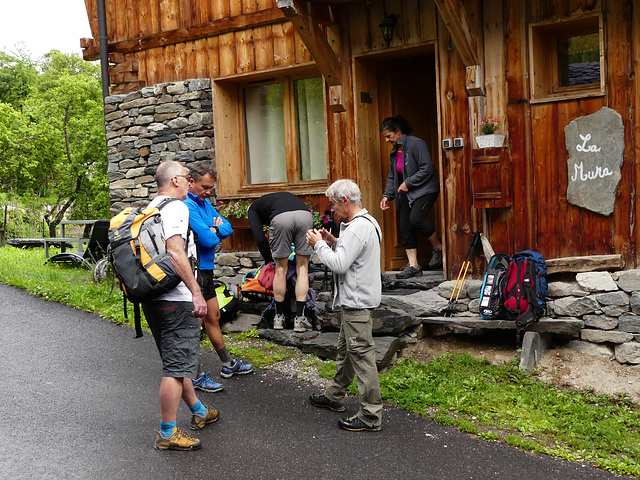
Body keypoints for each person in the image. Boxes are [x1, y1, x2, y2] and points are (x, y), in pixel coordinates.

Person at [142, 160, 219, 451]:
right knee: (175, 370)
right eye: (186, 178)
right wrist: (196, 292)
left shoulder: (151, 208)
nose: (190, 182)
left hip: (154, 298)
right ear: (175, 180)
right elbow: (175, 252)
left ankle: (200, 412)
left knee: (177, 362)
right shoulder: (176, 207)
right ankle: (167, 433)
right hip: (175, 300)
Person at [306, 179, 383, 432]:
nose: (332, 209)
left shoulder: (358, 228)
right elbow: (352, 253)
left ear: (345, 202)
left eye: (333, 204)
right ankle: (335, 395)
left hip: (356, 302)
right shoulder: (367, 223)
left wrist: (318, 244)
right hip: (358, 301)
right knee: (347, 351)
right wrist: (334, 241)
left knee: (361, 356)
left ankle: (370, 415)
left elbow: (340, 265)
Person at [184, 162, 254, 393]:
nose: (208, 192)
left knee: (213, 316)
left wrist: (212, 229)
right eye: (205, 187)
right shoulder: (186, 204)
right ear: (190, 182)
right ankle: (194, 376)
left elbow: (227, 228)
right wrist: (213, 229)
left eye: (211, 188)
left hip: (206, 269)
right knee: (196, 324)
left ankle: (227, 364)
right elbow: (208, 239)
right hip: (194, 271)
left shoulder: (204, 204)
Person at [380, 115, 443, 278]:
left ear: (398, 131)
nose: (387, 140)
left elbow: (426, 168)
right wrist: (387, 195)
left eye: (388, 136)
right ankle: (414, 265)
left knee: (416, 219)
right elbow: (392, 177)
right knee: (405, 226)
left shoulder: (416, 144)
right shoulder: (395, 152)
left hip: (425, 190)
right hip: (407, 193)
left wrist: (408, 183)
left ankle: (439, 248)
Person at [247, 192, 314, 333]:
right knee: (303, 268)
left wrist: (268, 260)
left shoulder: (252, 209)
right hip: (305, 215)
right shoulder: (280, 198)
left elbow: (259, 238)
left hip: (281, 219)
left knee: (280, 269)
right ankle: (300, 319)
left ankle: (279, 317)